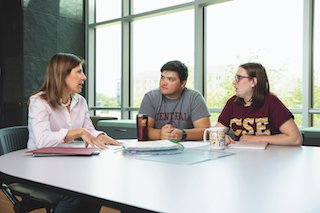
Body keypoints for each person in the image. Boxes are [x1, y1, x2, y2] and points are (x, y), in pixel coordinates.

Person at [27, 53, 120, 213]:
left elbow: (88, 129)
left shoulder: (80, 101)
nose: (84, 77)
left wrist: (99, 136)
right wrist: (78, 132)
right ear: (62, 75)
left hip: (69, 165)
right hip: (41, 168)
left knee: (96, 189)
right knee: (75, 192)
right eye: (78, 72)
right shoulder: (39, 101)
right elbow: (42, 141)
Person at [216, 62, 302, 146]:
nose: (234, 82)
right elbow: (216, 132)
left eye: (239, 78)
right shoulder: (232, 103)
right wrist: (222, 137)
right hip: (240, 156)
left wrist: (255, 139)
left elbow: (296, 139)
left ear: (253, 81)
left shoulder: (271, 102)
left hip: (270, 156)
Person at [138, 60, 211, 141]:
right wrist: (161, 134)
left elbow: (206, 132)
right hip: (157, 149)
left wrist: (182, 134)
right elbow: (143, 130)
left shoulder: (194, 97)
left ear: (183, 83)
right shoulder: (150, 97)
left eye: (170, 79)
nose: (163, 83)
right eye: (162, 77)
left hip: (187, 150)